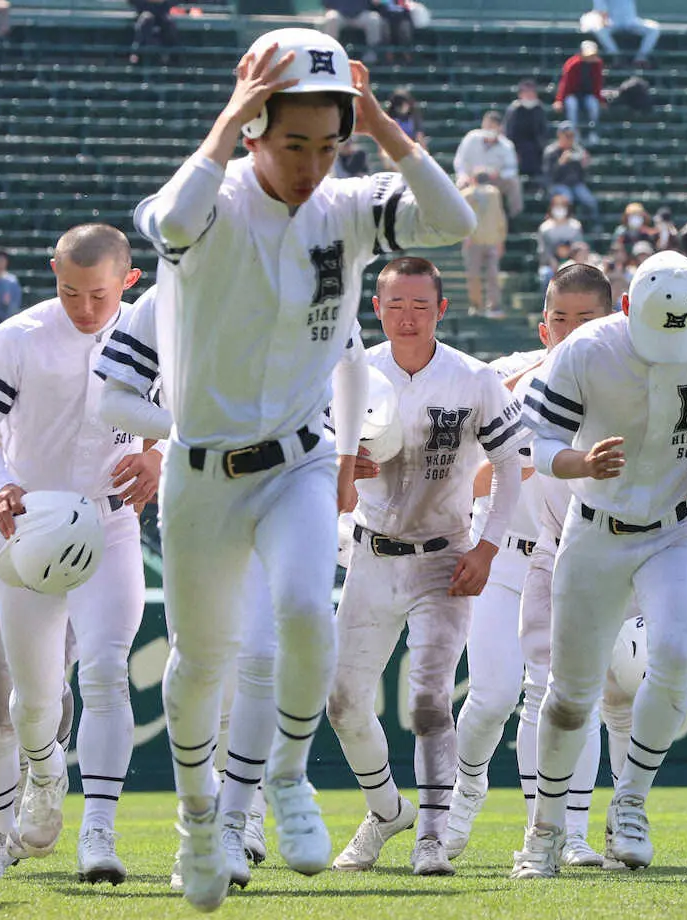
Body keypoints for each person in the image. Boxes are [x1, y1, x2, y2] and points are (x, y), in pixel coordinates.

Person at [133, 29, 475, 910]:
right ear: (253, 130)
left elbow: (454, 220)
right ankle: (198, 822)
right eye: (294, 143)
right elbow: (167, 223)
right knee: (202, 662)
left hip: (299, 458)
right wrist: (225, 125)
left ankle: (286, 774)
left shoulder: (350, 204)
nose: (312, 164)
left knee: (297, 608)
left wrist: (385, 127)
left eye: (329, 145)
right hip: (202, 470)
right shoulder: (212, 196)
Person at [512, 250, 687, 877]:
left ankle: (630, 802)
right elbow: (538, 443)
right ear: (626, 309)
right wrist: (581, 463)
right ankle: (543, 831)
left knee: (675, 655)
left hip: (680, 527)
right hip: (595, 529)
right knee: (569, 697)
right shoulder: (587, 350)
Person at [0, 224, 156, 885]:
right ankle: (42, 775)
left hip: (110, 526)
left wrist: (158, 455)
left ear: (128, 280)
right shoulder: (20, 336)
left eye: (97, 294)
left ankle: (98, 832)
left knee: (104, 673)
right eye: (70, 291)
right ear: (51, 273)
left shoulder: (155, 335)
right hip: (25, 529)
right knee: (30, 701)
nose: (84, 308)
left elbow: (193, 416)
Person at [325, 257, 524, 877]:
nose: (406, 316)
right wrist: (342, 470)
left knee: (430, 697)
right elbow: (319, 463)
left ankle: (432, 837)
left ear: (441, 309)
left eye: (419, 305)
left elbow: (512, 466)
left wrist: (488, 547)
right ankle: (387, 809)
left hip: (445, 556)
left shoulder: (474, 378)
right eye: (394, 305)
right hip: (371, 555)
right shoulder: (353, 376)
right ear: (376, 310)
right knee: (342, 702)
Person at [94, 286, 280, 888]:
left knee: (258, 657)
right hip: (194, 496)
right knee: (200, 663)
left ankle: (239, 819)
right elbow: (115, 401)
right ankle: (199, 827)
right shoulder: (170, 290)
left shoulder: (305, 264)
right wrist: (194, 429)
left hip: (277, 490)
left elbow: (341, 379)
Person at [445, 265, 613, 869]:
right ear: (543, 324)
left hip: (575, 560)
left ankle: (566, 829)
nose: (570, 333)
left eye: (585, 320)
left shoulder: (621, 380)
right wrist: (526, 441)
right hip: (503, 558)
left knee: (566, 698)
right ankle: (463, 793)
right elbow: (468, 476)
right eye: (560, 320)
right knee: (490, 697)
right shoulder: (508, 378)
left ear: (613, 319)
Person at [454, 111, 523, 217]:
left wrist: (499, 174)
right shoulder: (471, 138)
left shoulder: (507, 145)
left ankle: (515, 218)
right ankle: (459, 218)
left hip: (494, 179)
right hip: (471, 179)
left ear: (500, 128)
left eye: (492, 126)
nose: (489, 129)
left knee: (514, 183)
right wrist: (463, 175)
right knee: (460, 185)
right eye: (487, 125)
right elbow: (460, 161)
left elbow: (512, 169)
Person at [462, 169, 508, 317]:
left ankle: (476, 306)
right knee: (492, 275)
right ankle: (493, 306)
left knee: (473, 275)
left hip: (474, 240)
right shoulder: (494, 193)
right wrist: (501, 239)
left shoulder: (466, 194)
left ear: (473, 179)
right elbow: (500, 217)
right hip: (492, 240)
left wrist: (466, 237)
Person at [543, 122, 598, 225]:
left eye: (572, 136)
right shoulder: (551, 151)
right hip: (558, 184)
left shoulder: (577, 150)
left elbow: (583, 175)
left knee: (590, 201)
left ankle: (594, 226)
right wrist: (560, 163)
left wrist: (585, 165)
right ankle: (568, 226)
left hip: (575, 184)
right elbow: (549, 176)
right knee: (568, 199)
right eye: (567, 136)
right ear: (559, 135)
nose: (570, 139)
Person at [555, 41, 604, 144]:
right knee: (571, 104)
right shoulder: (573, 64)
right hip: (572, 94)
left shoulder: (597, 64)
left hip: (588, 94)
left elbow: (597, 84)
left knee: (593, 104)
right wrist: (559, 100)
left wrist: (600, 99)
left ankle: (593, 132)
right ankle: (574, 134)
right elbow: (565, 84)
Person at [585, 0, 659, 67]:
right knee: (600, 30)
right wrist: (604, 20)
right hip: (612, 22)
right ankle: (616, 55)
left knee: (654, 29)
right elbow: (600, 7)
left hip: (631, 22)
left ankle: (641, 58)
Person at [504, 79, 551, 179]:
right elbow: (509, 132)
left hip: (536, 147)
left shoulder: (539, 109)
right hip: (518, 147)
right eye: (526, 92)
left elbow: (543, 131)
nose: (530, 95)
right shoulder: (514, 110)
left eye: (532, 92)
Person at [537, 196, 585, 291]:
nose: (559, 209)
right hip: (551, 264)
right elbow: (543, 250)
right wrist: (552, 261)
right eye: (556, 206)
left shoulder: (575, 226)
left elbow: (580, 247)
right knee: (546, 274)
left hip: (572, 262)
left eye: (562, 206)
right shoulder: (545, 228)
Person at [321, 0, 386, 63]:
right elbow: (326, 3)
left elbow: (374, 3)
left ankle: (371, 54)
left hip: (360, 14)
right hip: (340, 14)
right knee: (331, 17)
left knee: (374, 19)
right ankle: (330, 52)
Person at [127, 0, 178, 65]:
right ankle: (135, 53)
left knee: (168, 22)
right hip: (144, 9)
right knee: (146, 19)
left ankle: (170, 55)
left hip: (161, 11)